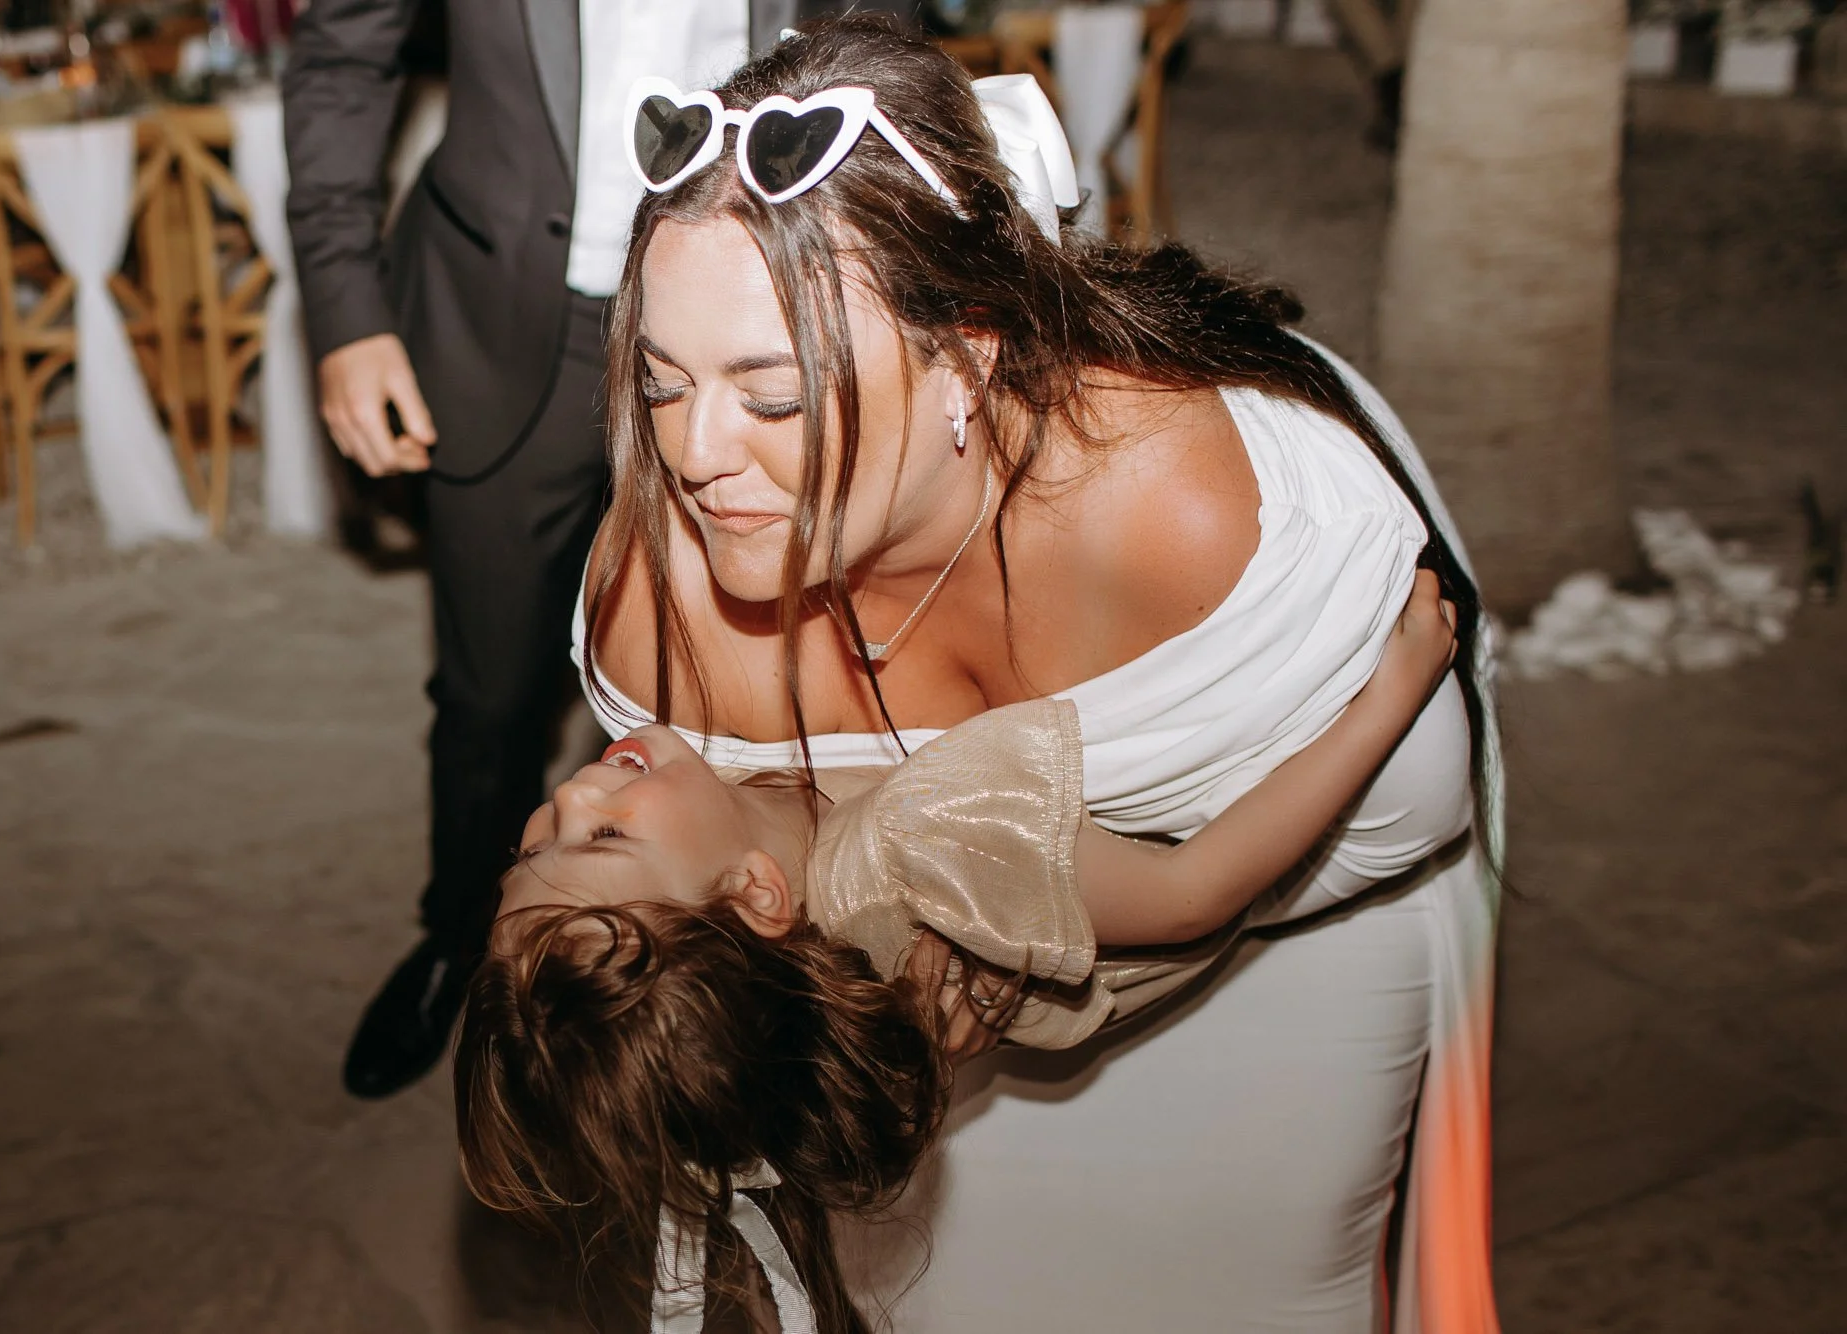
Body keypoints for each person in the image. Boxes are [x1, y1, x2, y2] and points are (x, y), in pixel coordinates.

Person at [539, 19, 1503, 1331]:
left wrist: (1052, 916)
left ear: (968, 355)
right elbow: (724, 898)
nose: (697, 452)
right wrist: (889, 962)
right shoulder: (663, 599)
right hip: (947, 1064)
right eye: (660, 383)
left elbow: (1411, 815)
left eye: (772, 398)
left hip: (1302, 935)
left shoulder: (1183, 527)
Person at [454, 573, 1457, 1329]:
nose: (567, 796)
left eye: (532, 845)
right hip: (1269, 872)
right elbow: (1196, 892)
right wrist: (1393, 687)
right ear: (754, 892)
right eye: (602, 837)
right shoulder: (930, 833)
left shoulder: (733, 876)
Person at [282, 0, 915, 1099]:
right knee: (487, 686)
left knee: (766, 659)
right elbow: (341, 50)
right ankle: (461, 932)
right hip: (497, 311)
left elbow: (881, 44)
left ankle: (726, 956)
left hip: (755, 319)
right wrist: (346, 311)